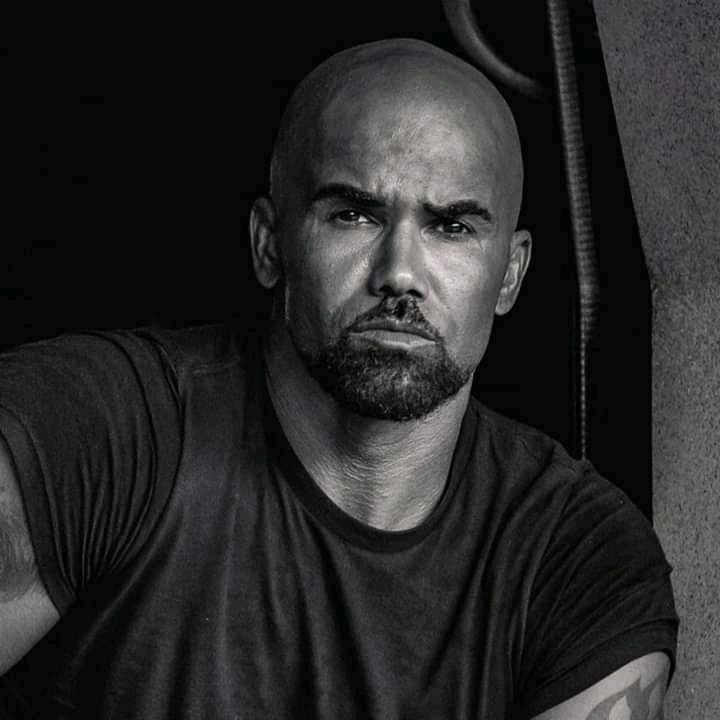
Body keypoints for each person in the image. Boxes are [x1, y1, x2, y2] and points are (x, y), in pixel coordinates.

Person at [0, 38, 677, 719]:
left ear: (510, 274)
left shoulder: (578, 554)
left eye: (450, 227)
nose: (400, 273)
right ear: (270, 243)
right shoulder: (100, 429)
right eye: (354, 215)